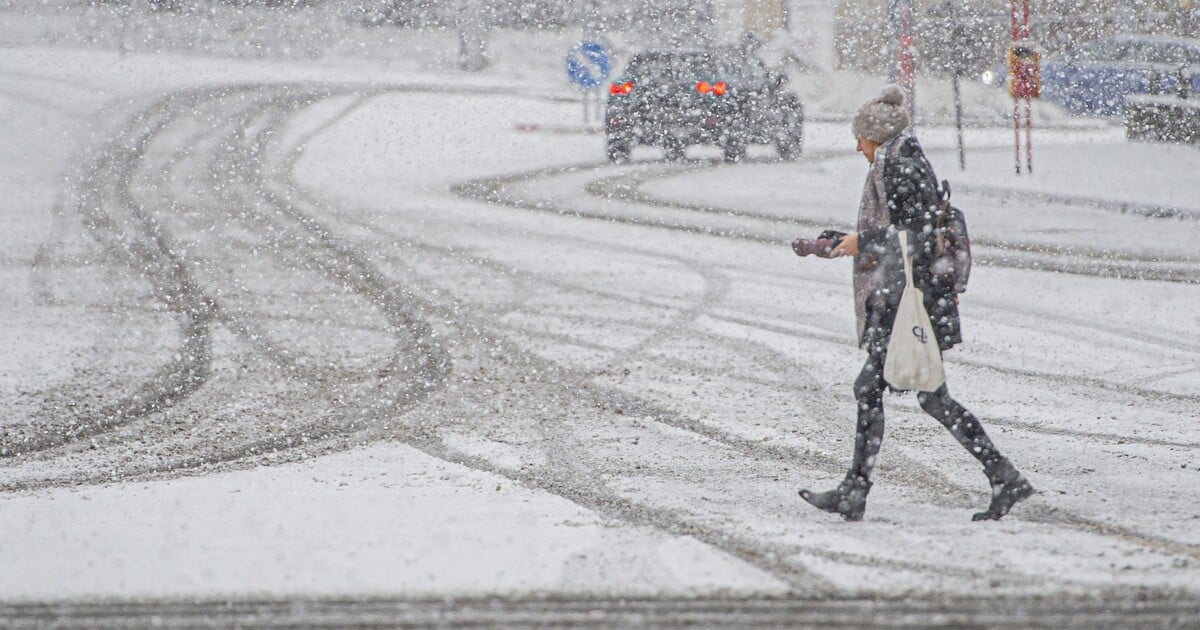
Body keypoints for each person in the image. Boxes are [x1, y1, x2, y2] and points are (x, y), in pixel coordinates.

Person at [797, 84, 1033, 522]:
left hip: (912, 302)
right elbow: (903, 234)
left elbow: (917, 237)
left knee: (884, 391)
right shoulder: (900, 161)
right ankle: (1002, 476)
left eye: (860, 138)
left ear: (876, 136)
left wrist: (863, 240)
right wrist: (844, 242)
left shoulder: (902, 167)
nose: (856, 147)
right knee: (922, 396)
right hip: (910, 298)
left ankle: (858, 490)